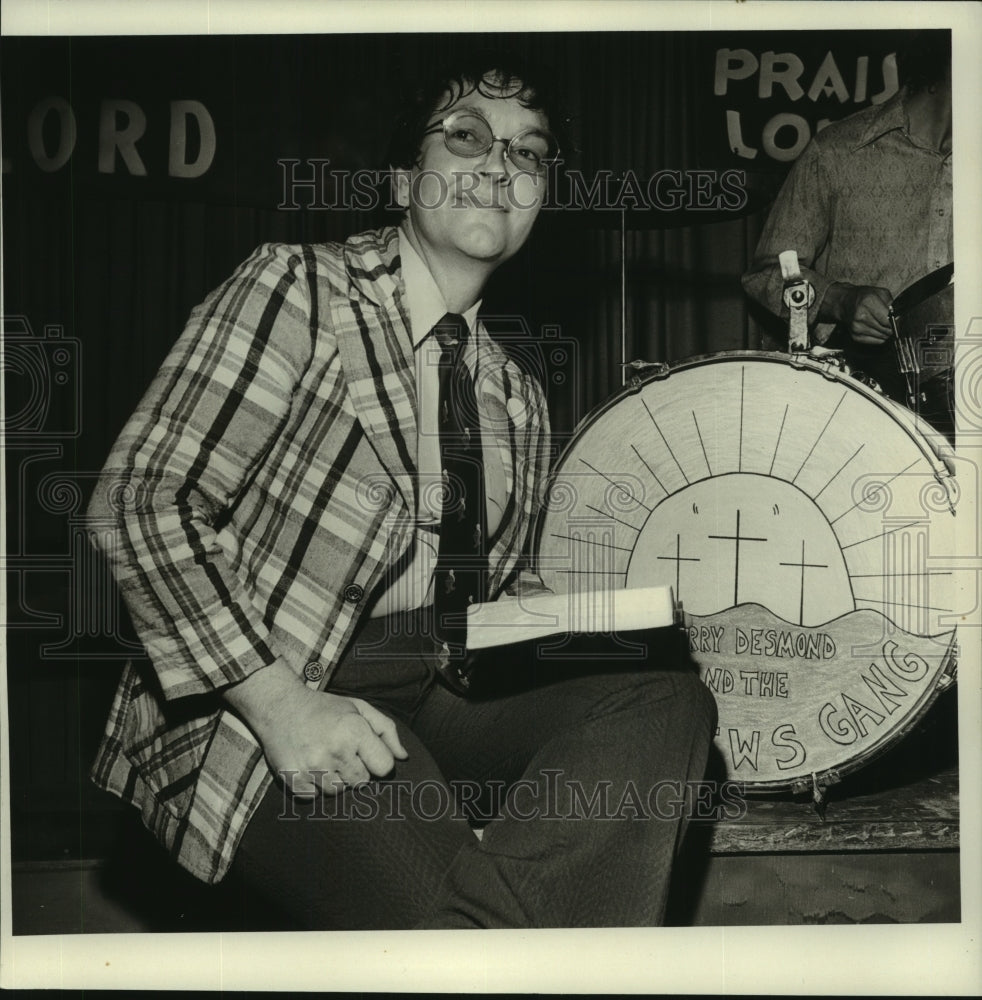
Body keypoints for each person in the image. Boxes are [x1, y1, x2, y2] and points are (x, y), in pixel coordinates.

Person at [86, 52, 716, 930]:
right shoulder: (299, 287)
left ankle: (491, 945)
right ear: (402, 174)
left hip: (438, 681)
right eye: (467, 136)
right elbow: (141, 504)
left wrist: (582, 617)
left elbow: (485, 604)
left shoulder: (518, 394)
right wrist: (282, 707)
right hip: (279, 677)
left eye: (529, 153)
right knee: (473, 934)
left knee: (662, 696)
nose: (501, 165)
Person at [742, 33, 953, 435]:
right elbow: (768, 274)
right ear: (940, 67)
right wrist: (840, 299)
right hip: (865, 410)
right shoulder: (838, 151)